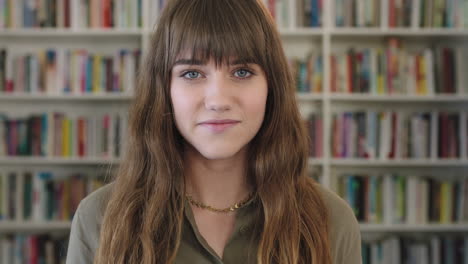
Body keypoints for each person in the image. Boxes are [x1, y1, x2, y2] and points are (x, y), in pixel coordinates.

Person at [65, 0, 362, 263]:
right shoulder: (99, 218)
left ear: (272, 87)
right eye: (192, 73)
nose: (218, 100)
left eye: (242, 72)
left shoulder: (330, 220)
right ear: (163, 90)